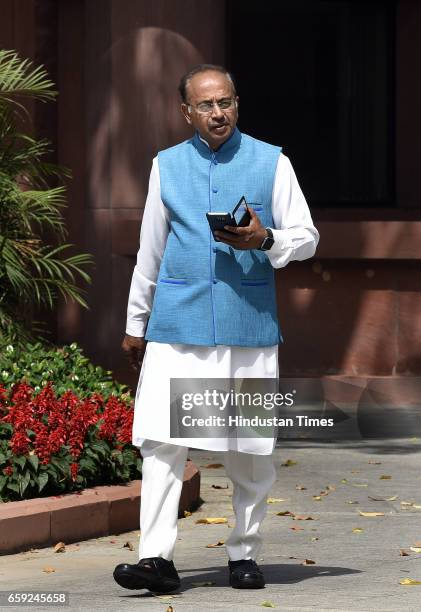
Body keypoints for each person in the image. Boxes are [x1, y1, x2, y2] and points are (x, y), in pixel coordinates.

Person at [113, 64, 319, 593]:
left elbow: (306, 237)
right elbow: (150, 251)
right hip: (177, 327)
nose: (217, 112)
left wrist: (265, 240)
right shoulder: (167, 165)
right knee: (162, 444)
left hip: (247, 327)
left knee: (250, 448)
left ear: (237, 104)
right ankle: (156, 559)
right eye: (205, 105)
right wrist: (136, 322)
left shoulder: (272, 161)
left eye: (225, 101)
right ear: (187, 112)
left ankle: (244, 554)